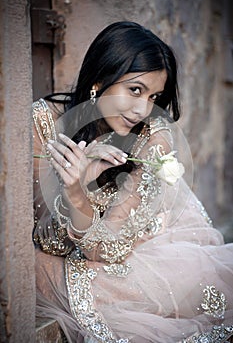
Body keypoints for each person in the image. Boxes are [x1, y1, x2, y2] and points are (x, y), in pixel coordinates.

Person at [32, 21, 233, 343]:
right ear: (100, 80)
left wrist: (76, 192)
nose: (143, 109)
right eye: (135, 90)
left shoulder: (152, 140)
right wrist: (73, 183)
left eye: (155, 96)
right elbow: (43, 238)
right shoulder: (43, 122)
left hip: (137, 254)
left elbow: (108, 249)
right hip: (70, 253)